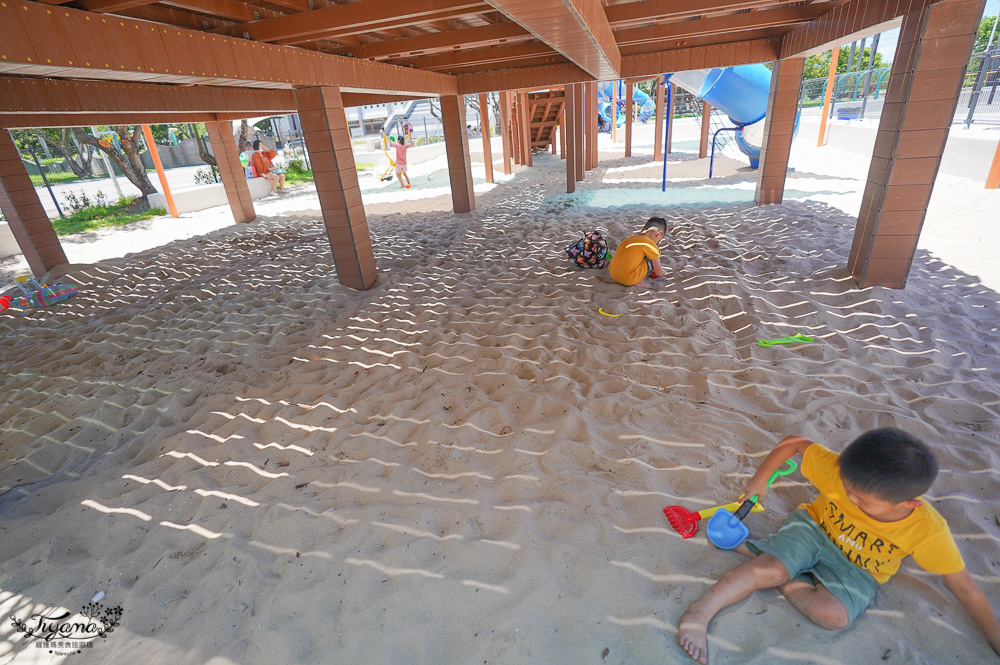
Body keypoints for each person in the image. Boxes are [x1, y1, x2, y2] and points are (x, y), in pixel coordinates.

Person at [677, 428, 1000, 664]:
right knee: (768, 570)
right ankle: (701, 612)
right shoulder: (842, 471)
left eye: (862, 501)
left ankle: (775, 563)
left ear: (911, 504)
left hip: (859, 568)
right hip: (814, 529)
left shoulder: (928, 530)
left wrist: (995, 637)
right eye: (847, 490)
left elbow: (965, 587)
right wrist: (759, 481)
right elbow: (794, 443)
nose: (850, 499)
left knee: (833, 617)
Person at [607, 217, 667, 288]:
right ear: (658, 233)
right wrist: (664, 272)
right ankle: (640, 282)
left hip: (613, 275)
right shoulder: (650, 244)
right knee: (655, 252)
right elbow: (659, 273)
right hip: (629, 279)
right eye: (659, 240)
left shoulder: (629, 239)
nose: (656, 243)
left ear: (642, 230)